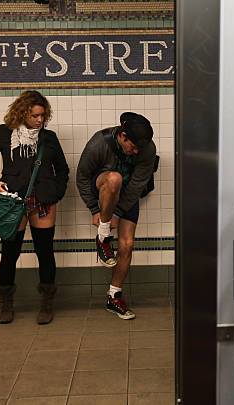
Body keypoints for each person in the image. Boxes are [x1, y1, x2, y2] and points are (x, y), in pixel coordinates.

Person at [0, 90, 69, 325]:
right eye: (35, 115)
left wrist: (55, 193)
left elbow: (63, 170)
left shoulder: (49, 138)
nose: (40, 120)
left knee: (44, 252)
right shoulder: (4, 134)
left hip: (43, 201)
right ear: (23, 112)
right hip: (13, 200)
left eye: (43, 116)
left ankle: (46, 304)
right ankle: (6, 303)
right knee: (10, 253)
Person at [76, 112, 156, 320]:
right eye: (133, 146)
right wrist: (95, 210)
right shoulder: (99, 143)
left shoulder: (147, 149)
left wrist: (118, 213)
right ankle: (103, 237)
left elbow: (138, 184)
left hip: (128, 196)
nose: (136, 151)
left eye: (140, 148)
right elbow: (82, 177)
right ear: (122, 136)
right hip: (103, 187)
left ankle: (114, 297)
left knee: (127, 244)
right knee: (114, 179)